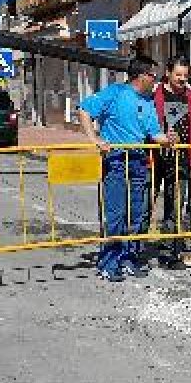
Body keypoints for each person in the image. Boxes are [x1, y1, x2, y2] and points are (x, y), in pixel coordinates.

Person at [78, 56, 174, 282]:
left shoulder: (148, 101)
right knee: (116, 214)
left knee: (137, 214)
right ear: (142, 76)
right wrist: (95, 139)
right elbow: (84, 110)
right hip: (116, 160)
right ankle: (109, 263)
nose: (156, 80)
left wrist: (168, 139)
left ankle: (130, 259)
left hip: (139, 160)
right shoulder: (115, 92)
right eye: (153, 76)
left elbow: (154, 133)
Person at [153, 56, 191, 269]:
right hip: (154, 156)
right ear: (168, 73)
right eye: (178, 74)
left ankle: (170, 251)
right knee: (145, 205)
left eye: (185, 75)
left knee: (175, 206)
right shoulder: (155, 93)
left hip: (181, 158)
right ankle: (133, 250)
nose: (182, 79)